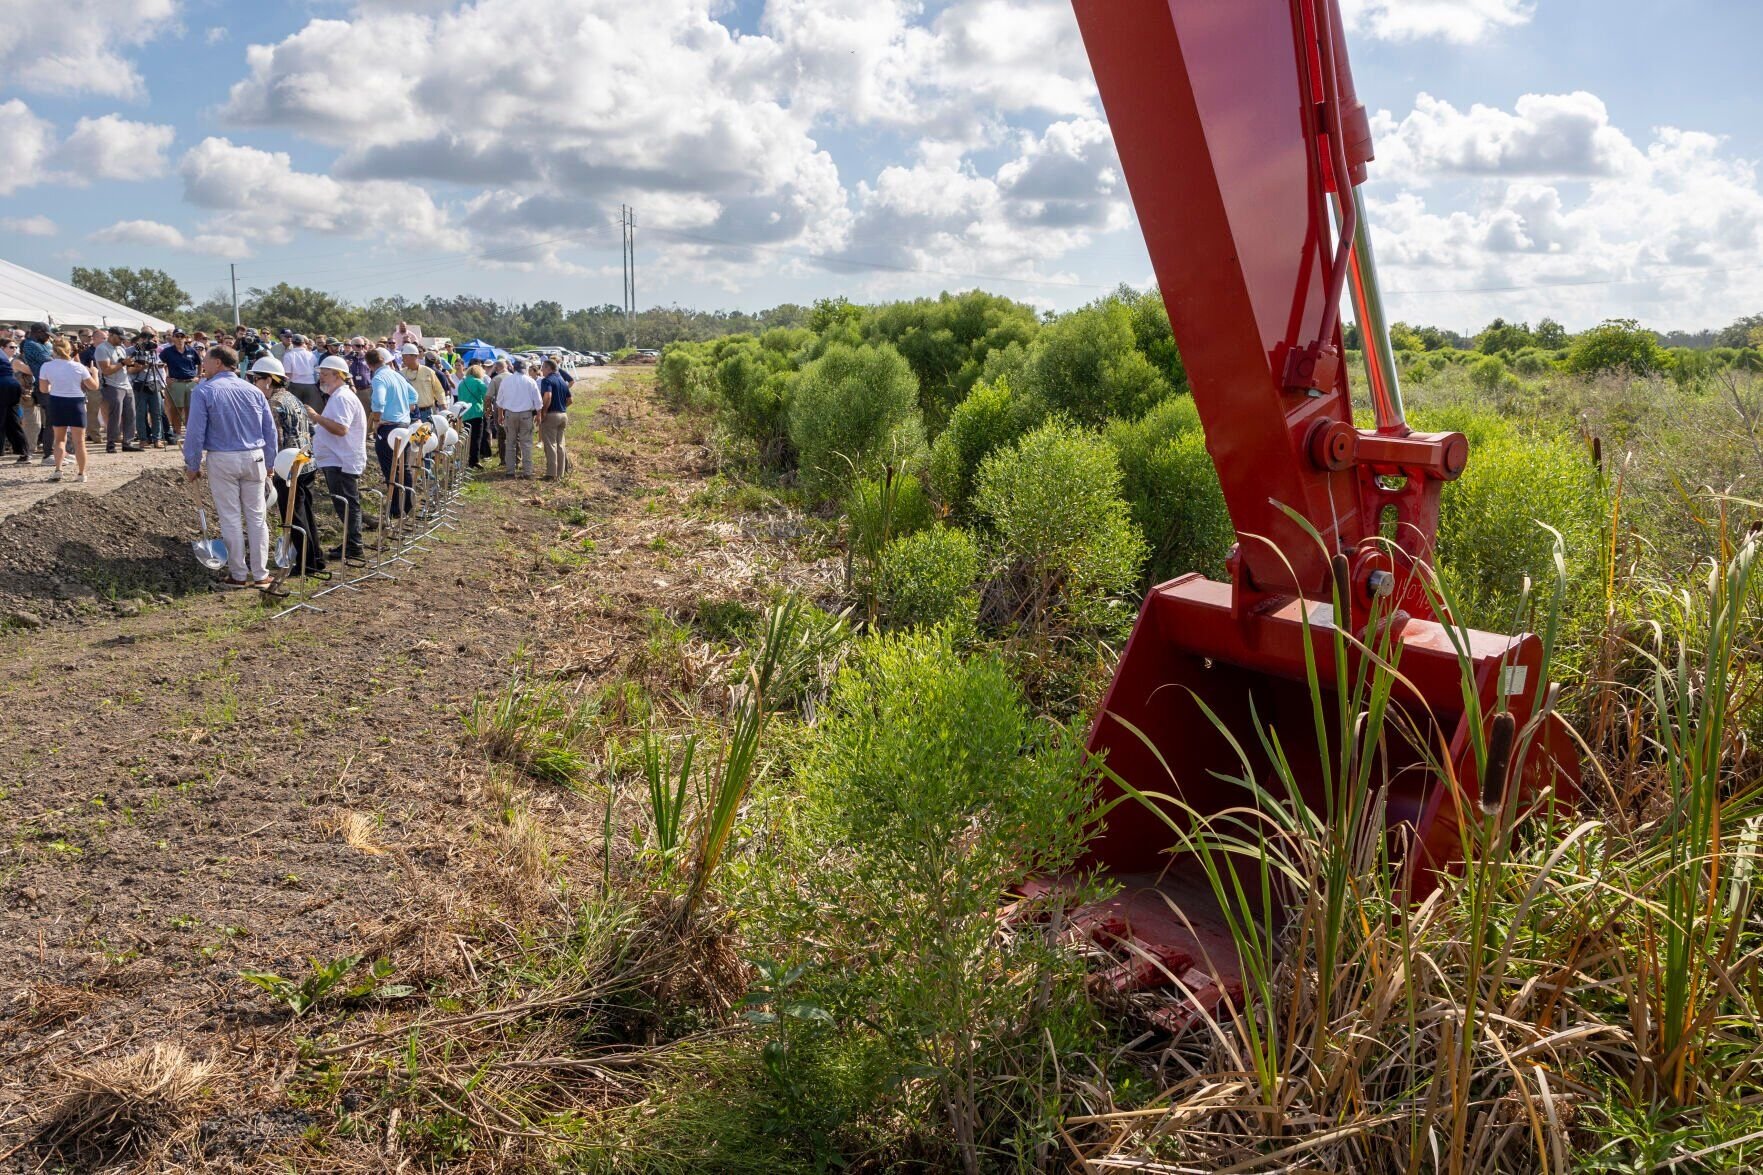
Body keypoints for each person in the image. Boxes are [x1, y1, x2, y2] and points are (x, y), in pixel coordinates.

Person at [183, 345, 277, 589]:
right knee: (257, 517)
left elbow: (195, 432)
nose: (203, 366)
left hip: (223, 458)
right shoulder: (253, 391)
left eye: (205, 361)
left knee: (230, 518)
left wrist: (192, 463)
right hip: (254, 456)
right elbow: (270, 429)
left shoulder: (204, 391)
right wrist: (270, 461)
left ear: (218, 363)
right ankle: (260, 574)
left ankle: (238, 574)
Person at [250, 355, 325, 577]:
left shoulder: (274, 403)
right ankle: (315, 558)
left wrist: (270, 467)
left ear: (268, 381)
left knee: (293, 515)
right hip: (306, 461)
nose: (255, 384)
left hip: (288, 466)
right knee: (307, 513)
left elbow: (275, 438)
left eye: (256, 380)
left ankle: (305, 564)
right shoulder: (293, 399)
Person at [309, 354, 367, 562]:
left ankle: (354, 546)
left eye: (325, 374)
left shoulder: (342, 397)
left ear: (338, 375)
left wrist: (316, 417)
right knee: (345, 503)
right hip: (338, 458)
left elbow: (341, 429)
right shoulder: (339, 396)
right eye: (321, 374)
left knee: (347, 504)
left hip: (342, 460)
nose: (321, 378)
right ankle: (351, 542)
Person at [40, 337, 99, 483]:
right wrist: (95, 373)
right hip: (76, 402)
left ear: (54, 351)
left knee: (59, 439)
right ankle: (81, 473)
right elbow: (93, 387)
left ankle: (58, 470)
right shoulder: (78, 367)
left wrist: (53, 385)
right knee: (80, 441)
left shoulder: (46, 366)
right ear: (70, 350)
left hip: (57, 401)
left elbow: (43, 389)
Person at [367, 347, 418, 516]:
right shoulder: (398, 375)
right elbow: (414, 395)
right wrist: (407, 408)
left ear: (369, 364)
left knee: (391, 469)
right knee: (404, 468)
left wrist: (377, 420)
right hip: (404, 426)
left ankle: (396, 508)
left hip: (389, 427)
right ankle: (408, 505)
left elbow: (379, 401)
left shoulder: (379, 377)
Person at [95, 326, 140, 453]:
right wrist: (123, 363)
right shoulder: (102, 349)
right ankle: (111, 443)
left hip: (126, 384)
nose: (122, 340)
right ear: (111, 335)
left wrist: (137, 366)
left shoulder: (121, 348)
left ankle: (127, 442)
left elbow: (126, 369)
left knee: (130, 414)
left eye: (123, 338)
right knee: (115, 415)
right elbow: (106, 370)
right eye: (120, 338)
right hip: (111, 385)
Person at [496, 359, 542, 478]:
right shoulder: (530, 381)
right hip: (526, 415)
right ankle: (527, 472)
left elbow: (500, 401)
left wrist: (500, 415)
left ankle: (510, 471)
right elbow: (538, 401)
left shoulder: (506, 381)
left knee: (510, 443)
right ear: (525, 369)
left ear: (514, 368)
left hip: (510, 414)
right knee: (526, 443)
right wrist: (539, 414)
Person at [129, 331, 171, 448]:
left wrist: (157, 365)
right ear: (141, 339)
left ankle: (157, 438)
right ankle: (143, 438)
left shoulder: (155, 349)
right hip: (139, 383)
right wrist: (139, 363)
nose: (150, 341)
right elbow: (127, 364)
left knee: (157, 413)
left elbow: (160, 363)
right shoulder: (134, 349)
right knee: (141, 413)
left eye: (152, 338)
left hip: (154, 383)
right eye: (147, 338)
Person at [160, 327, 200, 442]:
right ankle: (177, 432)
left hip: (191, 382)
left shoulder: (191, 350)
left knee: (191, 409)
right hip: (176, 382)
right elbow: (159, 364)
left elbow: (200, 363)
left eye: (181, 336)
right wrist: (166, 377)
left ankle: (190, 432)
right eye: (177, 336)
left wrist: (198, 376)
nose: (179, 339)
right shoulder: (167, 351)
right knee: (177, 409)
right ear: (173, 337)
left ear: (185, 338)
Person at [22, 323, 53, 460]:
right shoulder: (30, 344)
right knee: (51, 420)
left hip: (50, 384)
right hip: (42, 386)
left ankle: (55, 451)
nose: (48, 338)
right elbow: (50, 360)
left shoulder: (43, 344)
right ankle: (49, 453)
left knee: (54, 420)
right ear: (38, 332)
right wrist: (64, 353)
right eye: (47, 335)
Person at [538, 357, 572, 481]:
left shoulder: (546, 381)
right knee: (560, 444)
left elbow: (548, 396)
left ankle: (551, 474)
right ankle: (560, 473)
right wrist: (561, 408)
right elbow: (570, 400)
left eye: (543, 367)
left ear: (549, 368)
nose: (541, 370)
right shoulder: (562, 381)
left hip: (551, 415)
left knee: (550, 445)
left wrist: (544, 411)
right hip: (563, 414)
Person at [399, 343, 445, 421]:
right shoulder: (401, 374)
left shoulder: (428, 372)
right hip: (409, 414)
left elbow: (438, 390)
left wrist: (443, 406)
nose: (402, 359)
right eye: (402, 357)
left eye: (405, 356)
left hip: (427, 413)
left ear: (415, 356)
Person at [455, 363, 489, 467]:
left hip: (464, 413)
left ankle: (466, 458)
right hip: (476, 412)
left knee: (467, 438)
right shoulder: (478, 382)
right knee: (477, 438)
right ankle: (474, 460)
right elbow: (487, 395)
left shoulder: (462, 383)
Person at [0, 339, 28, 462]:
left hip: (2, 385)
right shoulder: (2, 354)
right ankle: (23, 451)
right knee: (13, 420)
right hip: (13, 385)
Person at [282, 334, 320, 409]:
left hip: (295, 386)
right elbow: (316, 370)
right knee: (311, 411)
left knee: (295, 410)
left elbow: (288, 374)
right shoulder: (311, 355)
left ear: (292, 343)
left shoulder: (288, 355)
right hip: (311, 386)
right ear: (303, 343)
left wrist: (285, 387)